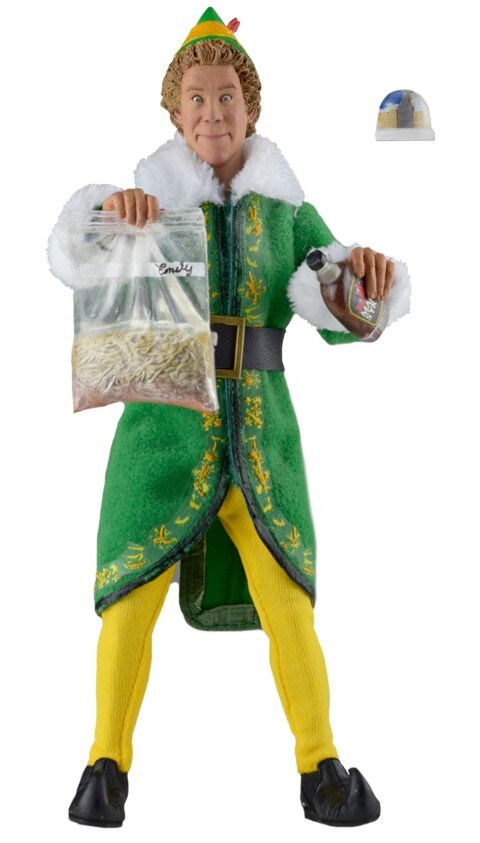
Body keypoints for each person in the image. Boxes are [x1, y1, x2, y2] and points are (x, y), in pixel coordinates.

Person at [48, 7, 410, 829]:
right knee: (129, 595)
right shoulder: (147, 204)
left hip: (262, 438)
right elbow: (81, 260)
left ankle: (321, 766)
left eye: (227, 98)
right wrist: (109, 217)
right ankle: (104, 764)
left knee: (289, 600)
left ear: (251, 109)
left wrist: (367, 281)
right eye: (198, 99)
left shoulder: (286, 213)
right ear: (175, 114)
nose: (213, 113)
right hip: (160, 433)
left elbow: (339, 304)